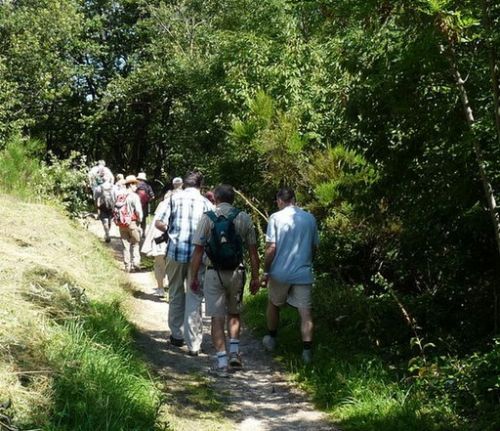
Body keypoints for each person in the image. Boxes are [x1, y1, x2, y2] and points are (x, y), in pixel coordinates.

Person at [190, 184, 260, 374]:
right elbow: (253, 253)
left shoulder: (207, 217)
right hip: (237, 272)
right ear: (233, 199)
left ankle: (221, 361)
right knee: (234, 313)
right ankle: (235, 354)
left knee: (217, 318)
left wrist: (193, 276)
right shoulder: (244, 218)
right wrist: (256, 277)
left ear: (216, 199)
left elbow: (198, 251)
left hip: (213, 272)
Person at [155, 171, 214, 355]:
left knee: (175, 292)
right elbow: (213, 228)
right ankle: (194, 344)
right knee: (195, 297)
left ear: (185, 184)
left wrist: (171, 229)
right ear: (200, 185)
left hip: (175, 251)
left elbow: (158, 222)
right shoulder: (207, 203)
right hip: (199, 256)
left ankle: (176, 335)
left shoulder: (173, 198)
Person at [261, 187, 319, 364]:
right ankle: (307, 352)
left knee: (273, 304)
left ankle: (271, 338)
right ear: (294, 199)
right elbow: (314, 247)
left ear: (279, 201)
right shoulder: (310, 218)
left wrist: (266, 271)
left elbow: (271, 248)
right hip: (303, 272)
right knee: (305, 313)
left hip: (280, 272)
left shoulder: (275, 218)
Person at [141, 177, 183, 297]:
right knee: (173, 266)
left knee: (159, 264)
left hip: (159, 237)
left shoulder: (162, 204)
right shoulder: (180, 206)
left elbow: (155, 222)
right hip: (173, 238)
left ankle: (160, 288)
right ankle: (172, 289)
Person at [115, 175, 143, 272]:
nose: (136, 187)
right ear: (130, 184)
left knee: (125, 245)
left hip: (121, 224)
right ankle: (136, 263)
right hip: (132, 223)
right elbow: (138, 211)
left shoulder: (119, 195)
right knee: (136, 243)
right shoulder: (134, 196)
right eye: (135, 184)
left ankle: (127, 266)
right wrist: (140, 220)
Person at [94, 179, 115, 243]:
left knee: (104, 221)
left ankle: (107, 233)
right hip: (111, 206)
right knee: (110, 220)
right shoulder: (113, 187)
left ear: (102, 180)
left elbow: (95, 198)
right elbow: (115, 197)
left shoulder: (98, 188)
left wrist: (96, 208)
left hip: (103, 206)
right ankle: (107, 233)